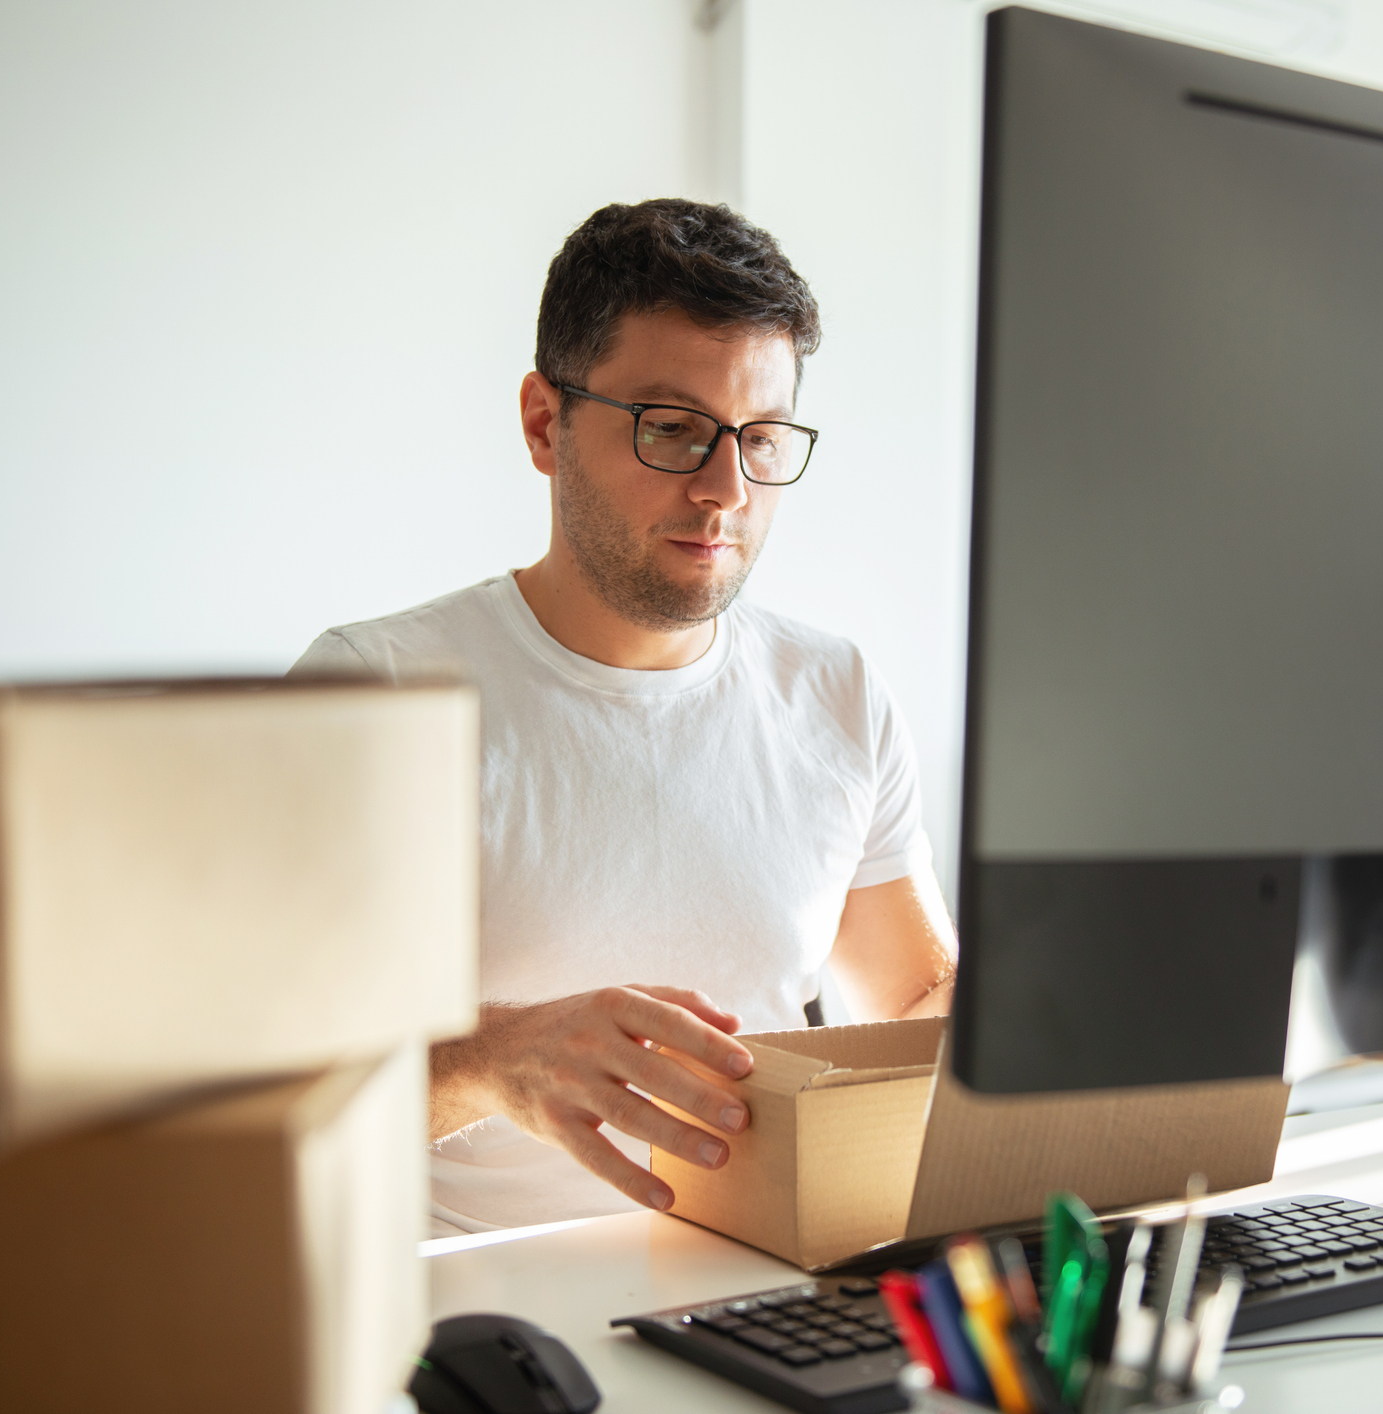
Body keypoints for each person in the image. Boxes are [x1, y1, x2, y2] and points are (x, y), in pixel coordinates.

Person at [292, 199, 957, 1235]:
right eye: (676, 430)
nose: (726, 490)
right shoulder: (374, 692)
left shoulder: (836, 692)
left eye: (763, 437)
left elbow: (916, 1000)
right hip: (485, 1334)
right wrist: (490, 1063)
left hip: (768, 1292)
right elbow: (261, 1095)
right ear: (544, 424)